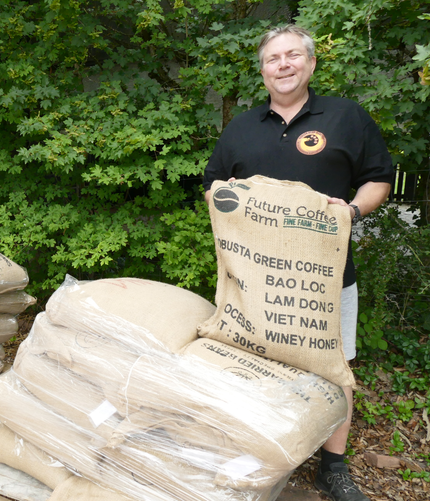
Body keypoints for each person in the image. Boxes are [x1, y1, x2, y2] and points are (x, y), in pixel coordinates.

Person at [202, 24, 394, 501]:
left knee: (334, 368)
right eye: (273, 59)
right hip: (249, 278)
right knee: (246, 359)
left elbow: (378, 180)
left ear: (310, 64)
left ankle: (333, 466)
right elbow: (212, 184)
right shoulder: (242, 127)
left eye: (293, 56)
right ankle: (255, 447)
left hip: (324, 279)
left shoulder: (346, 117)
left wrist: (351, 211)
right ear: (263, 70)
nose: (283, 65)